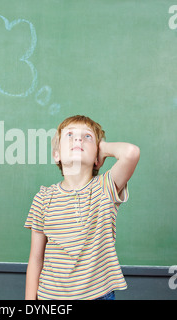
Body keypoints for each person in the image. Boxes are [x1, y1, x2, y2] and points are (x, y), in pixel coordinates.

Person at [24, 115, 140, 300]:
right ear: (57, 154)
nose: (78, 139)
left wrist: (102, 149)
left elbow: (131, 153)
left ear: (97, 156)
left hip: (97, 295)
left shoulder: (105, 188)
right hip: (50, 298)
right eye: (69, 135)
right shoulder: (43, 198)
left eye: (87, 137)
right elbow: (36, 259)